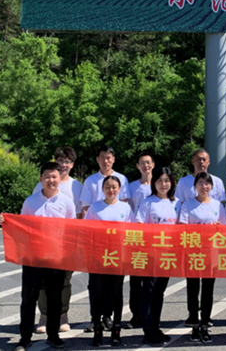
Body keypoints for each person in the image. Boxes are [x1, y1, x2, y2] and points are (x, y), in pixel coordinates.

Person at [1, 161, 74, 351]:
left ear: (60, 179)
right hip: (33, 258)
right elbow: (21, 227)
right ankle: (25, 337)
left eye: (54, 176)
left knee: (54, 298)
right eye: (47, 176)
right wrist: (7, 222)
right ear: (41, 179)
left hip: (56, 258)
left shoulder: (66, 202)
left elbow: (73, 230)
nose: (51, 180)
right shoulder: (30, 201)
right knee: (29, 298)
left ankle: (53, 335)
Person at [79, 146, 130, 333]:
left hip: (116, 249)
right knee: (95, 285)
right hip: (98, 248)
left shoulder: (122, 181)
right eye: (102, 157)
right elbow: (85, 210)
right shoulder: (91, 184)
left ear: (113, 159)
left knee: (113, 285)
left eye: (109, 157)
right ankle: (95, 318)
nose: (106, 161)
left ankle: (108, 316)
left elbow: (129, 224)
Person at [32, 147, 82, 334]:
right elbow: (30, 215)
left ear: (72, 164)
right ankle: (44, 316)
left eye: (67, 161)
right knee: (43, 283)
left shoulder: (77, 186)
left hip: (65, 243)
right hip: (42, 244)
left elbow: (79, 215)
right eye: (60, 161)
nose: (63, 164)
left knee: (64, 281)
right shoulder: (40, 186)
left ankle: (62, 315)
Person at [84, 175, 136, 347]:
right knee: (97, 292)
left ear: (119, 189)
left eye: (114, 187)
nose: (111, 190)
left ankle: (116, 330)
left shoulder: (125, 208)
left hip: (117, 257)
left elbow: (132, 231)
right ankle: (97, 329)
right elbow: (87, 230)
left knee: (116, 293)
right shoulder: (95, 207)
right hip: (98, 257)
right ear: (102, 189)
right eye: (107, 187)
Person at [178, 172, 226, 343]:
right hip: (192, 252)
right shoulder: (188, 204)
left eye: (207, 184)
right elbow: (182, 226)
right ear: (195, 186)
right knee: (192, 289)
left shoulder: (217, 205)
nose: (204, 187)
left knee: (208, 289)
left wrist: (218, 227)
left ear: (211, 187)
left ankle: (205, 323)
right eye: (200, 183)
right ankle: (194, 323)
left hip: (210, 252)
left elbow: (224, 228)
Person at [136, 166, 181, 346]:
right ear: (154, 183)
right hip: (151, 254)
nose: (163, 184)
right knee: (149, 291)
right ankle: (148, 330)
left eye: (167, 180)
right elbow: (139, 225)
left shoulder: (177, 203)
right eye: (160, 181)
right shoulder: (148, 203)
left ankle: (156, 326)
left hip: (168, 255)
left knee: (159, 292)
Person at [124, 152, 155, 330]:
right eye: (142, 163)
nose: (145, 166)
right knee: (136, 280)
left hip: (156, 240)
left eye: (148, 162)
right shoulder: (132, 186)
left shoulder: (159, 184)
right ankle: (136, 314)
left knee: (152, 280)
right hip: (136, 238)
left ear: (153, 164)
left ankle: (150, 314)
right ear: (137, 166)